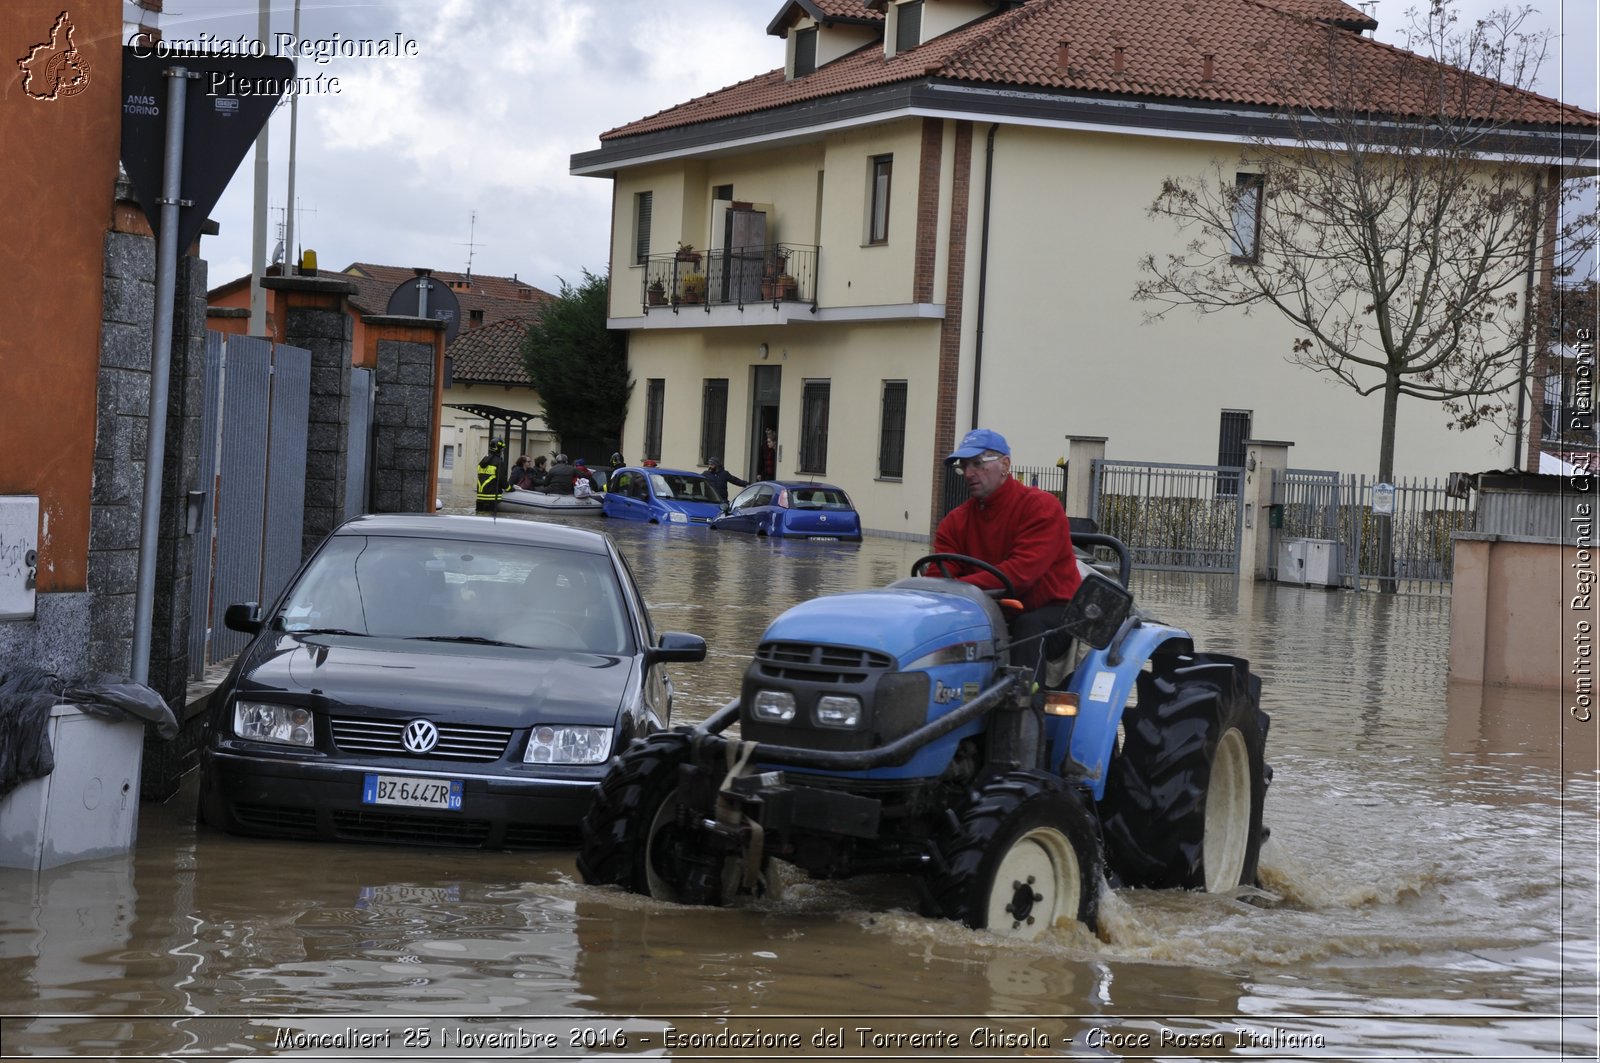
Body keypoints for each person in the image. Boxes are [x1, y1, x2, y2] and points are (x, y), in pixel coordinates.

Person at [933, 428, 1082, 679]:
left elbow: (1021, 573)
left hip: (1055, 611)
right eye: (964, 466)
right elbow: (938, 578)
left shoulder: (1041, 507)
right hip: (989, 610)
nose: (969, 473)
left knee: (1030, 625)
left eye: (978, 464)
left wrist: (958, 589)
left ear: (1005, 465)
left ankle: (1024, 710)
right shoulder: (954, 522)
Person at [476, 438, 508, 512]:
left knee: (480, 520)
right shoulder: (499, 462)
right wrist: (509, 488)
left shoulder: (483, 461)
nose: (502, 451)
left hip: (480, 499)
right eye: (501, 449)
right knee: (491, 522)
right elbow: (502, 480)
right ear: (498, 449)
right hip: (492, 499)